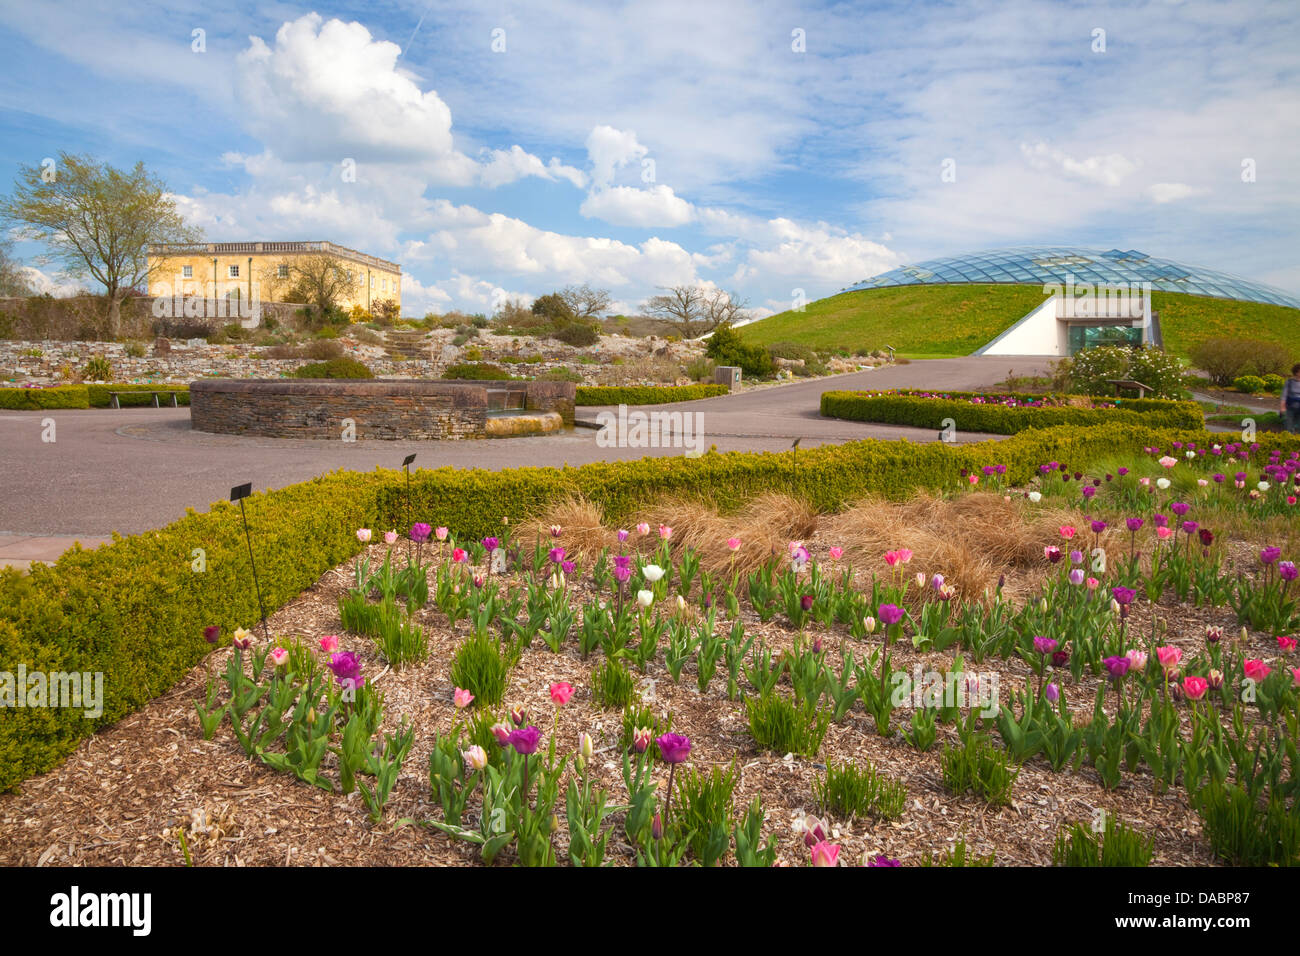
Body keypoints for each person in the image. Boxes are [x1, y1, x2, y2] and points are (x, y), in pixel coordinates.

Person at [1283, 363, 1300, 434]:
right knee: (1289, 426)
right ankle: (1289, 440)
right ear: (1296, 372)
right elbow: (1284, 395)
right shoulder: (1289, 382)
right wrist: (1282, 407)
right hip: (1291, 406)